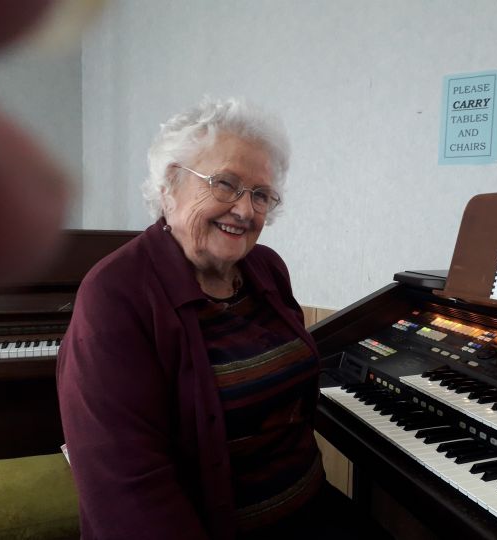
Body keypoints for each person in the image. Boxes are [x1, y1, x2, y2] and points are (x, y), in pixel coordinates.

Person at [57, 97, 387, 539]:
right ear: (170, 184)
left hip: (309, 509)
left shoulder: (266, 268)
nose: (245, 210)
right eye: (225, 184)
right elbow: (127, 491)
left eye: (260, 194)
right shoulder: (115, 294)